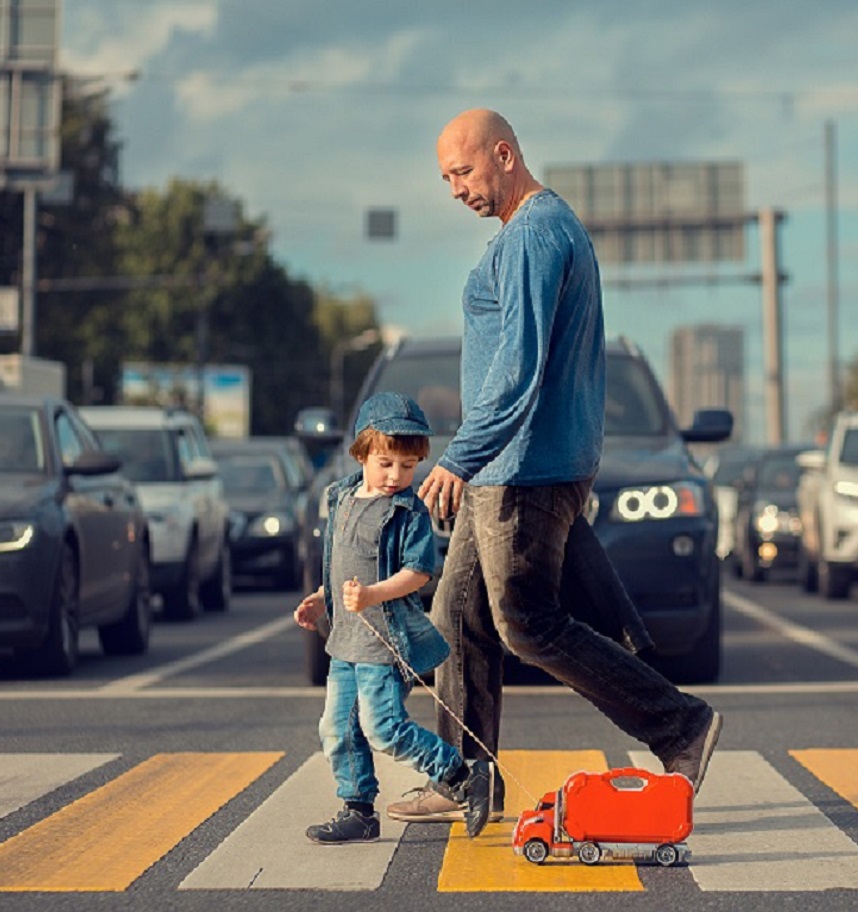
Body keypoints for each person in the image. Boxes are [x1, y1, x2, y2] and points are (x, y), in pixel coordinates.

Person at [385, 109, 722, 827]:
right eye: (445, 178)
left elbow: (518, 368)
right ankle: (464, 778)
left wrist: (463, 456)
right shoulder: (524, 233)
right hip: (505, 468)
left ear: (503, 155)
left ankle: (680, 726)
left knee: (525, 624)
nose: (454, 190)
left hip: (524, 468)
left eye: (463, 172)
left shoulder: (536, 234)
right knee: (457, 618)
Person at [293, 392, 491, 844]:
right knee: (337, 729)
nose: (396, 476)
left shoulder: (408, 511)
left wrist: (372, 596)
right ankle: (359, 810)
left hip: (385, 642)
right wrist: (323, 598)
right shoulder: (341, 497)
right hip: (345, 641)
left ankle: (462, 774)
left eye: (407, 466)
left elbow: (418, 573)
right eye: (385, 463)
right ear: (362, 452)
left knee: (382, 728)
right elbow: (343, 564)